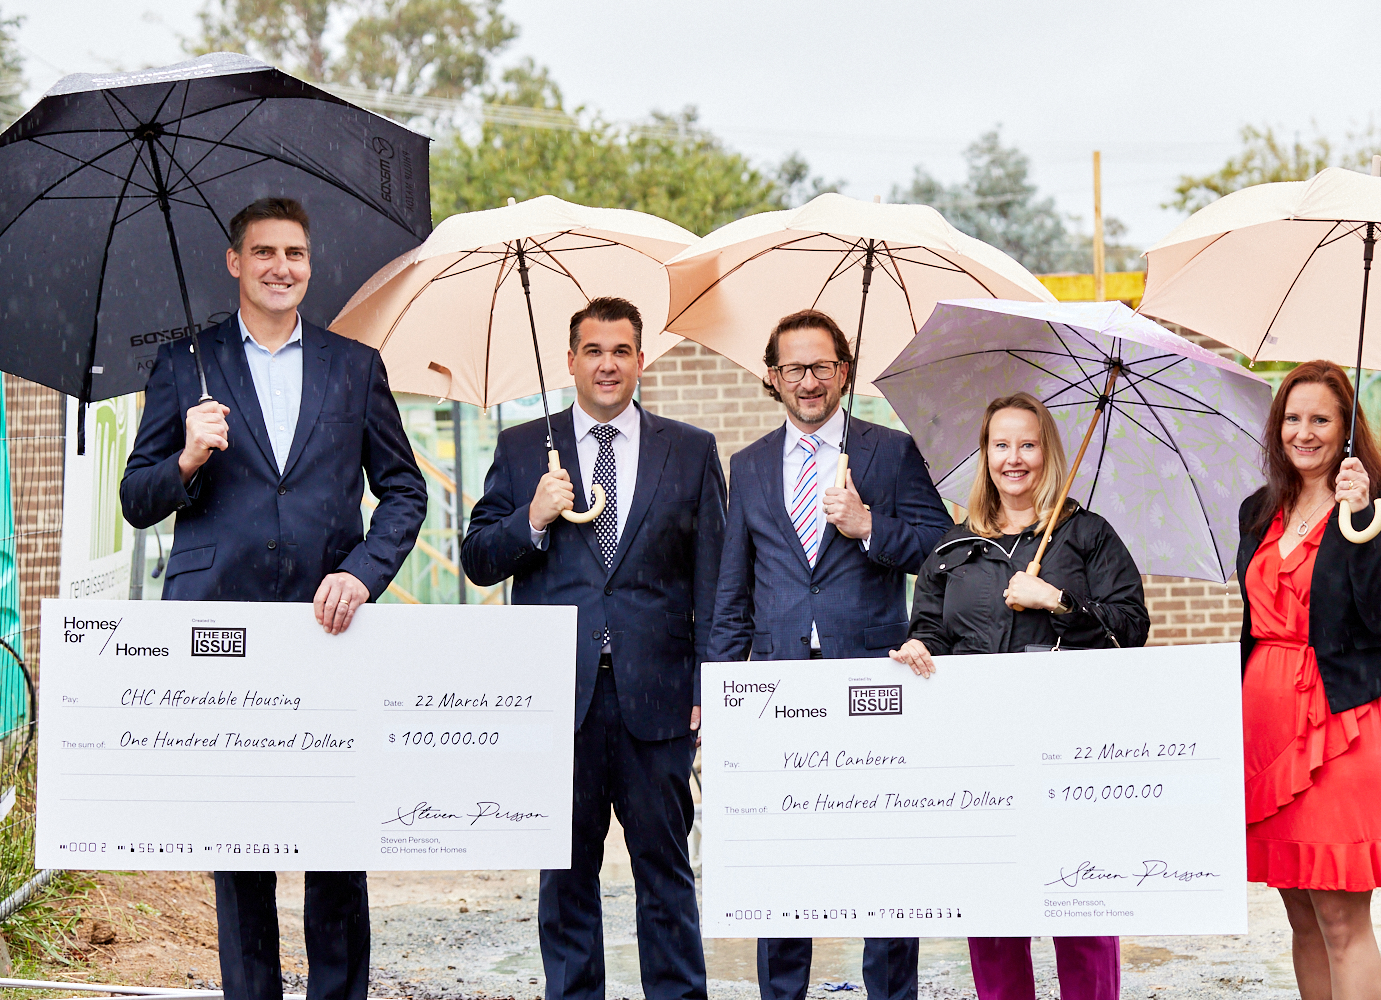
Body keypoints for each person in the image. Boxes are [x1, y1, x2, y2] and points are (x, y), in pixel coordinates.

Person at [121, 197, 427, 1000]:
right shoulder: (185, 365)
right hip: (224, 634)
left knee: (338, 837)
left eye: (294, 253)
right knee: (241, 844)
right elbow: (137, 498)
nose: (281, 267)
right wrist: (186, 459)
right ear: (235, 262)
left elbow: (404, 492)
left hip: (331, 629)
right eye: (264, 252)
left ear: (309, 264)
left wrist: (363, 572)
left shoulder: (354, 366)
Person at [462, 297, 725, 1000]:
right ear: (571, 361)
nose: (607, 364)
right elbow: (479, 558)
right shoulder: (524, 448)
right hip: (559, 700)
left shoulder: (690, 450)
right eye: (594, 351)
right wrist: (532, 517)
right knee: (567, 876)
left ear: (641, 360)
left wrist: (710, 685)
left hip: (659, 700)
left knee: (665, 875)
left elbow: (714, 581)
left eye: (621, 351)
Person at [709, 308, 951, 1000]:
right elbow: (733, 589)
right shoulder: (749, 465)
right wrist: (717, 692)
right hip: (779, 687)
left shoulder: (891, 453)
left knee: (882, 854)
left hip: (872, 678)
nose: (808, 381)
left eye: (821, 366)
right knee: (785, 857)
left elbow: (942, 551)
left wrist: (870, 526)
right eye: (794, 368)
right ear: (772, 376)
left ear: (844, 372)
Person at [890, 391, 1148, 1000]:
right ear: (985, 455)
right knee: (994, 909)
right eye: (1001, 445)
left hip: (1069, 746)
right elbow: (931, 631)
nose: (1014, 458)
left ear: (1047, 452)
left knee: (1079, 904)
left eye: (1027, 444)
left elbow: (1132, 626)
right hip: (980, 749)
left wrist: (1056, 600)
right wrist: (918, 648)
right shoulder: (952, 550)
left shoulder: (1086, 535)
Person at [1235, 360, 1381, 1000]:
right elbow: (1252, 622)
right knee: (1301, 916)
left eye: (1320, 419)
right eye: (1292, 418)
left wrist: (1361, 520)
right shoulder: (1257, 510)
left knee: (1341, 917)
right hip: (1264, 722)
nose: (1303, 432)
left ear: (1346, 429)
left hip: (1339, 721)